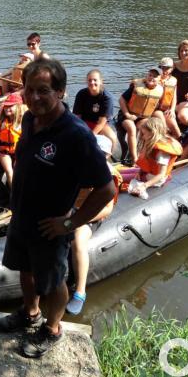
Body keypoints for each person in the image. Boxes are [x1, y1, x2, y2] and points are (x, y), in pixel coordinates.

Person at [0, 58, 115, 359]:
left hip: (51, 226)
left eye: (44, 90)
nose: (35, 97)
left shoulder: (75, 135)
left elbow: (106, 189)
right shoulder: (28, 120)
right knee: (25, 270)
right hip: (23, 216)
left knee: (53, 282)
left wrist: (71, 223)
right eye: (30, 89)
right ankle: (30, 313)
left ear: (60, 92)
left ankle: (52, 329)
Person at [66, 135, 124, 315]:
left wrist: (79, 219)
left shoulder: (108, 176)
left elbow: (106, 209)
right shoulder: (77, 166)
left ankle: (80, 291)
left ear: (106, 156)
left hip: (90, 215)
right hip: (71, 209)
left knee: (78, 239)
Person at [117, 67, 164, 164]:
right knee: (132, 128)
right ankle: (134, 159)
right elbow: (122, 99)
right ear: (147, 76)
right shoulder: (137, 86)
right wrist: (127, 114)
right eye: (150, 75)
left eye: (155, 76)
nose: (151, 78)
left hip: (142, 117)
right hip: (127, 115)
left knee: (150, 129)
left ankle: (146, 155)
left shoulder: (160, 90)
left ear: (159, 79)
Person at [128, 116, 183, 199]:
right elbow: (147, 163)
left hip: (154, 179)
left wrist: (144, 186)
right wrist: (140, 171)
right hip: (147, 173)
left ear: (153, 133)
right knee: (122, 171)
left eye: (144, 134)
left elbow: (161, 174)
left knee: (120, 177)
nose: (142, 137)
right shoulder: (152, 145)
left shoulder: (162, 153)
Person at [72, 69, 119, 157]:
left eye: (95, 80)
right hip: (85, 121)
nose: (92, 82)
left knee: (113, 138)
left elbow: (101, 123)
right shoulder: (81, 94)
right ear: (86, 81)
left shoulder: (107, 98)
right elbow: (77, 117)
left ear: (101, 81)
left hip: (102, 124)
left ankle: (107, 159)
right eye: (89, 80)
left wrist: (91, 136)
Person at [153, 57, 181, 138]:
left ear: (172, 69)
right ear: (160, 68)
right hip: (155, 110)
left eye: (167, 68)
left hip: (167, 110)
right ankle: (165, 139)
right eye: (163, 68)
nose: (165, 70)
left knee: (176, 130)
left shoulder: (174, 80)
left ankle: (178, 143)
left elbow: (174, 97)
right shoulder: (155, 79)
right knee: (164, 127)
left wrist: (172, 109)